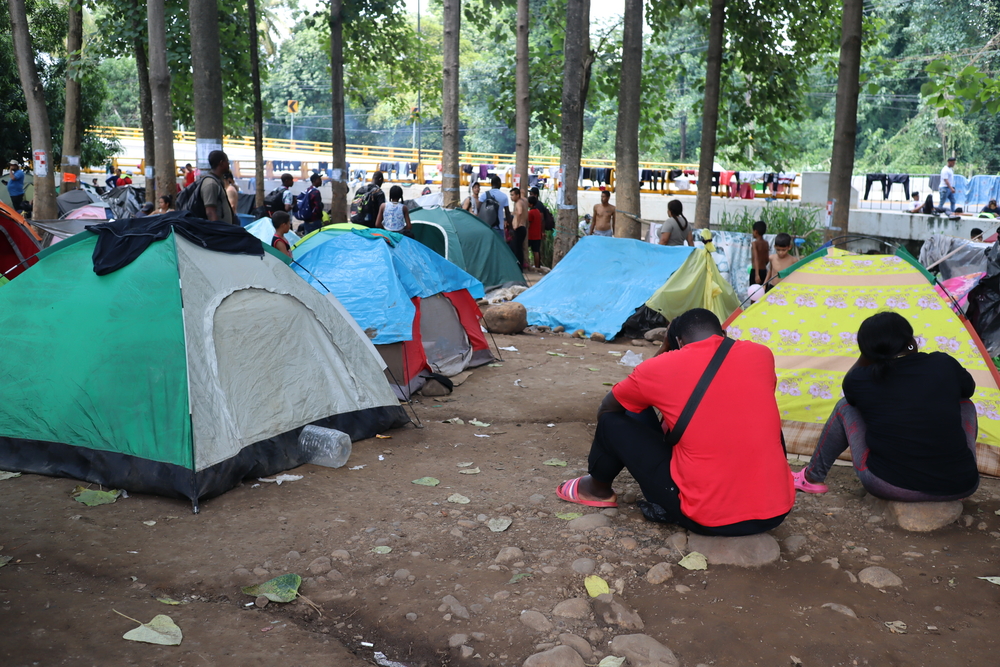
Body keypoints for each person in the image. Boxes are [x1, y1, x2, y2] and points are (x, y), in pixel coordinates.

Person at [555, 308, 794, 536]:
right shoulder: (761, 354)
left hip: (707, 519)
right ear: (724, 334)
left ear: (678, 341)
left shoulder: (659, 367)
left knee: (612, 420)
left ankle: (597, 490)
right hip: (775, 513)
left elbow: (607, 408)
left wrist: (665, 352)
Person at [793, 312, 979, 502]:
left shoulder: (860, 379)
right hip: (962, 485)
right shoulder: (943, 363)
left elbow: (852, 390)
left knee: (845, 406)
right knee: (965, 403)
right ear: (911, 340)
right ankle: (956, 465)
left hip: (890, 485)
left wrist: (868, 356)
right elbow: (968, 389)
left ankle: (812, 478)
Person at [199, 150, 235, 225]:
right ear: (221, 163)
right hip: (219, 233)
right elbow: (210, 212)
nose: (228, 164)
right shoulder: (211, 183)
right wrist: (217, 231)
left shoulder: (217, 181)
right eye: (227, 161)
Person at [508, 187, 529, 267]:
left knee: (516, 249)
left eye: (512, 195)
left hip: (519, 228)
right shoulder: (524, 201)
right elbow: (524, 199)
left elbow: (520, 212)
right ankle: (519, 267)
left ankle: (518, 267)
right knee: (518, 248)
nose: (511, 197)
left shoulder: (518, 203)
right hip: (522, 228)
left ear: (517, 195)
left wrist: (516, 224)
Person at [527, 195, 543, 270]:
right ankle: (537, 267)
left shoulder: (530, 213)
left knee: (525, 249)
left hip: (531, 235)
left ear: (531, 204)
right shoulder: (538, 212)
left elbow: (529, 224)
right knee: (536, 251)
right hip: (537, 235)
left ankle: (527, 264)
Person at [750, 220, 768, 286]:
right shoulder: (766, 243)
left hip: (756, 271)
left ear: (756, 232)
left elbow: (756, 258)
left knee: (753, 293)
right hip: (764, 271)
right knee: (763, 291)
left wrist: (757, 275)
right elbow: (767, 259)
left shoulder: (754, 243)